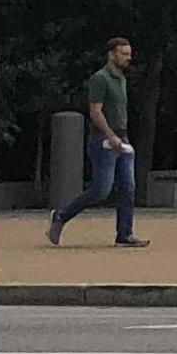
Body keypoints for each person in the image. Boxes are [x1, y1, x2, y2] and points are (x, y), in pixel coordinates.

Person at [48, 36, 147, 249]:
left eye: (129, 54)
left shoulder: (121, 79)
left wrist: (121, 137)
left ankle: (124, 234)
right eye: (124, 54)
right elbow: (95, 111)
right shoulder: (99, 79)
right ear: (112, 54)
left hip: (122, 137)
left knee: (128, 187)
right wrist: (110, 136)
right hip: (103, 138)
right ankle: (61, 216)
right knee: (101, 190)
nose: (129, 58)